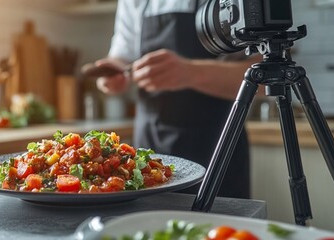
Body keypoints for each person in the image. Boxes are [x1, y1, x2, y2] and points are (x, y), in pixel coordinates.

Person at [93, 0, 261, 199]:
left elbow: (265, 76)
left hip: (219, 146)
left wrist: (191, 72)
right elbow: (122, 57)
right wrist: (112, 74)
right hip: (150, 147)